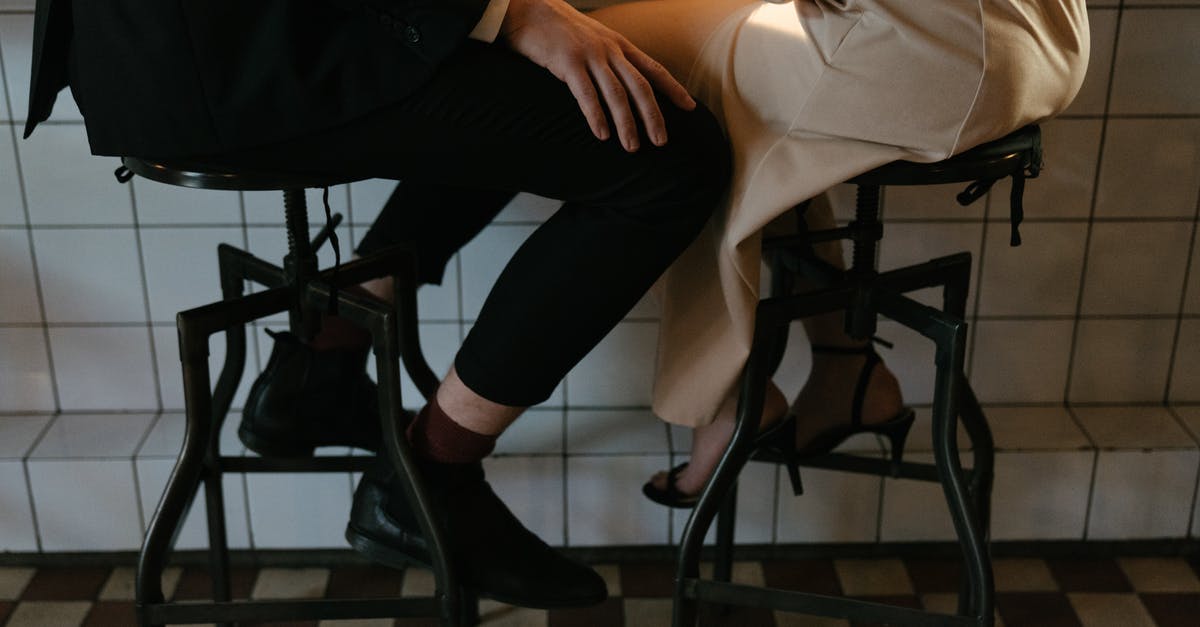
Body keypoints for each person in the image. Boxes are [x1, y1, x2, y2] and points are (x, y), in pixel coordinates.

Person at [25, 0, 732, 609]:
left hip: (167, 49)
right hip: (224, 55)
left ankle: (317, 371)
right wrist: (506, 10)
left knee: (557, 88)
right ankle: (430, 476)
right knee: (670, 159)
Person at [252, 0, 1090, 508]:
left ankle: (731, 405)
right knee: (690, 82)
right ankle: (845, 366)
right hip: (1035, 35)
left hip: (930, 47)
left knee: (601, 61)